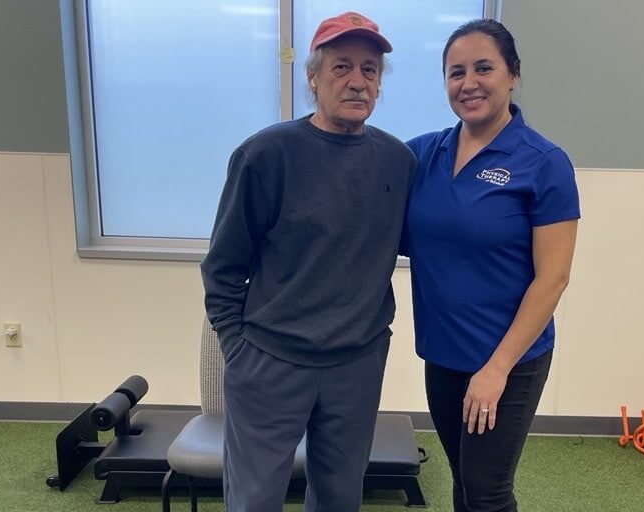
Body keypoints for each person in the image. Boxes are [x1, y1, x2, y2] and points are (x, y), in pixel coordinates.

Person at [200, 11, 415, 512]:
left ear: (380, 84)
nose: (357, 81)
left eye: (369, 69)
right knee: (254, 501)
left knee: (341, 498)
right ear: (313, 78)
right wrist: (238, 349)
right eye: (341, 67)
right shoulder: (265, 156)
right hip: (269, 361)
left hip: (357, 362)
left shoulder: (398, 162)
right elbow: (223, 267)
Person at [403, 18, 580, 512]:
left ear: (512, 75)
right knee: (464, 479)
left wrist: (496, 370)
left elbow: (553, 278)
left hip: (508, 362)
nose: (469, 83)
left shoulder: (544, 162)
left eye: (484, 68)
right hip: (442, 355)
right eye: (456, 72)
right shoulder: (424, 154)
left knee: (486, 491)